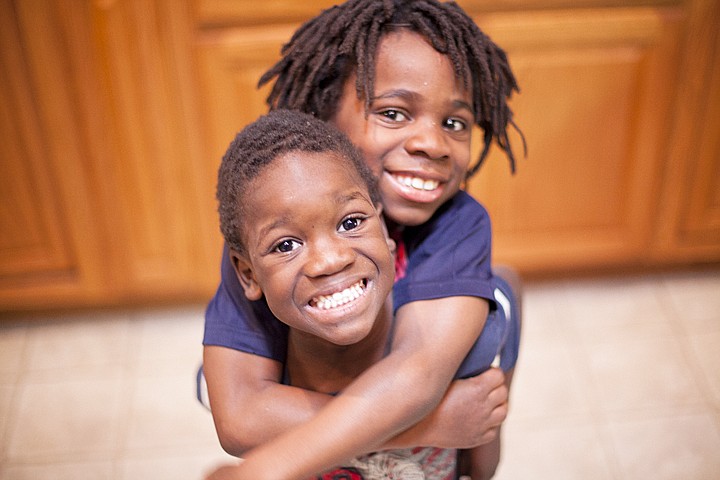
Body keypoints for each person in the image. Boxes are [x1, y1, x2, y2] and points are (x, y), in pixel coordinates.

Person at [202, 1, 523, 478]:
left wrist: (267, 467)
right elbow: (241, 419)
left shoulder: (459, 223)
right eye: (394, 113)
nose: (432, 144)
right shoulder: (265, 228)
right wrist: (432, 424)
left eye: (454, 123)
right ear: (321, 118)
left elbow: (418, 376)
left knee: (499, 304)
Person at [210, 108, 465, 478]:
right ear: (248, 275)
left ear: (385, 230)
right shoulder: (261, 383)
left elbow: (481, 464)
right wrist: (433, 423)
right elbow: (236, 425)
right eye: (286, 245)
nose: (329, 261)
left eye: (349, 223)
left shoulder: (447, 342)